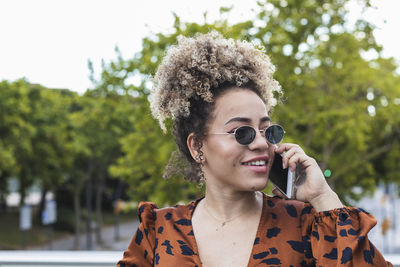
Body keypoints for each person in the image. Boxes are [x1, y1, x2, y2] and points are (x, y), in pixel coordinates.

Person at [117, 32, 392, 267]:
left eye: (267, 130)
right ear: (197, 145)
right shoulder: (157, 232)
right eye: (242, 132)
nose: (262, 143)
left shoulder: (306, 224)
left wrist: (323, 197)